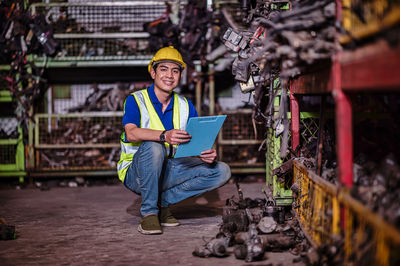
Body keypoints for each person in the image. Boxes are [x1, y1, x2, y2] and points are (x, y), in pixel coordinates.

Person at [117, 46, 231, 235]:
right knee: (155, 146)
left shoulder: (185, 105)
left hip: (168, 169)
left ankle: (161, 203)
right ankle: (149, 213)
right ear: (153, 73)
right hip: (136, 174)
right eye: (164, 69)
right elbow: (131, 134)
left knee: (221, 170)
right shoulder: (136, 100)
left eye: (175, 70)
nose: (170, 75)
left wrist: (205, 153)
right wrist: (164, 135)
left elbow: (193, 142)